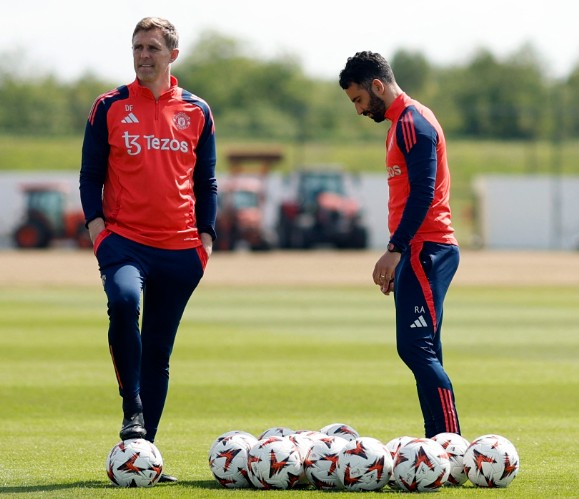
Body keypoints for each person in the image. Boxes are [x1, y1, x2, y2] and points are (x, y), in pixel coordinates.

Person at [79, 17, 217, 482]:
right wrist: (99, 233)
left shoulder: (197, 110)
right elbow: (89, 176)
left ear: (172, 55)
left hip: (181, 250)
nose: (143, 55)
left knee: (158, 351)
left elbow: (207, 181)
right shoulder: (110, 106)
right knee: (123, 303)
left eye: (153, 48)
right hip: (124, 242)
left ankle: (144, 458)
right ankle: (131, 409)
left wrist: (206, 240)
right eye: (137, 47)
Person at [339, 51, 461, 438]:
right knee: (425, 350)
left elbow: (423, 193)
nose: (358, 110)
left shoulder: (412, 122)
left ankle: (451, 443)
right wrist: (401, 254)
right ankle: (438, 442)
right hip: (417, 250)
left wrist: (395, 250)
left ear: (378, 86)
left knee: (414, 349)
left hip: (427, 247)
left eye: (358, 99)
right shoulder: (398, 124)